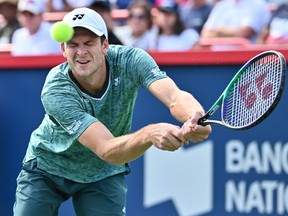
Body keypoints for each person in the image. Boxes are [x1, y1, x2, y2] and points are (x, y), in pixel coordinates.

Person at [13, 7, 211, 216]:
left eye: (89, 43)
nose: (81, 52)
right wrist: (150, 134)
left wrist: (195, 116)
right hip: (47, 168)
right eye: (73, 45)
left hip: (102, 173)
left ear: (104, 45)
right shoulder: (56, 89)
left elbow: (174, 97)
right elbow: (106, 148)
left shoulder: (131, 60)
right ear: (63, 49)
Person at [200, 0, 271, 44]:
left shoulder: (258, 4)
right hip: (216, 60)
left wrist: (220, 30)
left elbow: (244, 32)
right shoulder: (222, 5)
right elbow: (205, 34)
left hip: (243, 61)